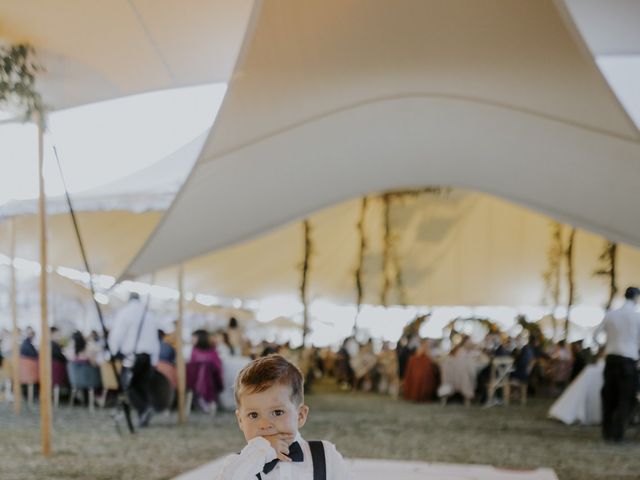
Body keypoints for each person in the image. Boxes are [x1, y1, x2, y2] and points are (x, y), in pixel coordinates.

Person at [216, 354, 353, 479]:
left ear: (300, 415)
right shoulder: (238, 465)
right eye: (253, 415)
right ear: (240, 420)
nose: (264, 424)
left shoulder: (325, 455)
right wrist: (260, 452)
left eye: (277, 412)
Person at [594, 286, 640, 443]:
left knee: (609, 397)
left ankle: (606, 432)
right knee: (625, 399)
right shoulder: (637, 317)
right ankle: (618, 433)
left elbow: (595, 336)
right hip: (629, 361)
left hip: (611, 359)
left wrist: (604, 347)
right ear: (636, 298)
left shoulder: (611, 314)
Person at [108, 292, 160, 427]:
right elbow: (155, 340)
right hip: (148, 356)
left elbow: (117, 335)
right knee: (142, 385)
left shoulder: (125, 312)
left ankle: (144, 409)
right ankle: (144, 410)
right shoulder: (149, 314)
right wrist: (155, 360)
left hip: (132, 355)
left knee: (128, 384)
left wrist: (112, 352)